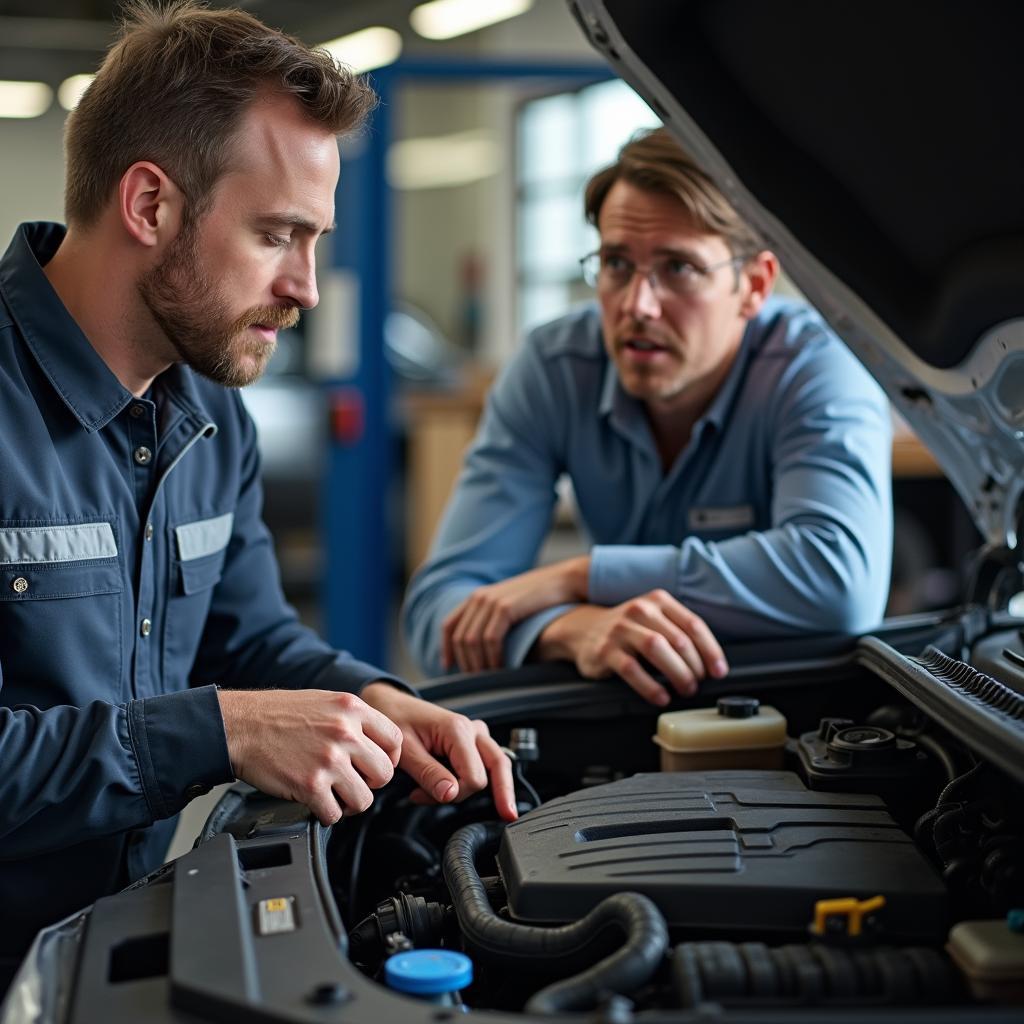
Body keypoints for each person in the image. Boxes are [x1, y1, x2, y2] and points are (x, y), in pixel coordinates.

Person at [0, 0, 515, 990]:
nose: (308, 287)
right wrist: (227, 730)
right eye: (279, 234)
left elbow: (253, 639)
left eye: (313, 239)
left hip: (101, 951)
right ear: (150, 206)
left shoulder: (208, 415)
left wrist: (381, 701)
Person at [403, 127, 893, 703]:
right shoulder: (557, 367)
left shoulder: (814, 366)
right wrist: (565, 629)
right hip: (623, 708)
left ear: (754, 286)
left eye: (678, 268)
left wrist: (582, 578)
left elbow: (840, 582)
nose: (637, 305)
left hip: (785, 708)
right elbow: (439, 614)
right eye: (616, 263)